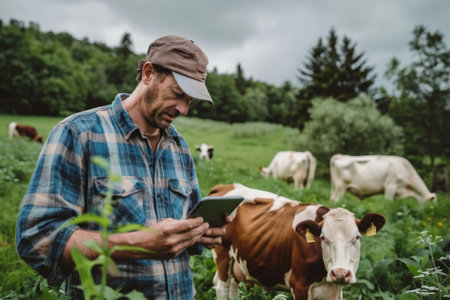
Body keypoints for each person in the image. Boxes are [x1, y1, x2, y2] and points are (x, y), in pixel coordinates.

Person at [16, 35, 229, 299]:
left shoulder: (179, 146)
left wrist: (199, 234)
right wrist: (137, 244)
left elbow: (185, 224)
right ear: (149, 73)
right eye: (177, 94)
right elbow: (36, 239)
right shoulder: (79, 134)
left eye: (190, 100)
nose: (184, 109)